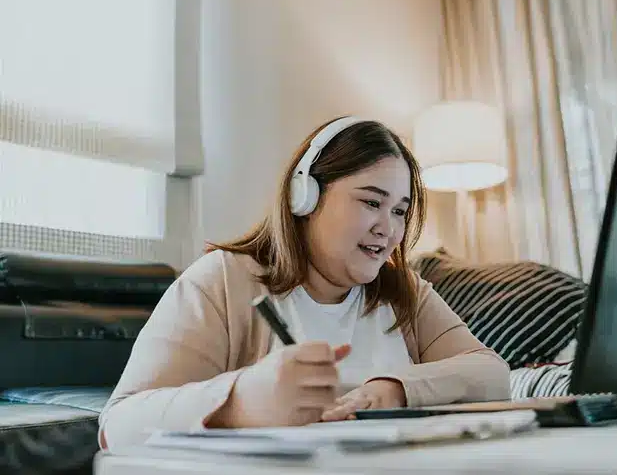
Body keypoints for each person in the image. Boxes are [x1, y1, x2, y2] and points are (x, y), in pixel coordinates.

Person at [98, 116, 511, 451]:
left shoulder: (405, 291)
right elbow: (119, 424)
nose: (388, 228)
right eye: (371, 202)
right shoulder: (223, 280)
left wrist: (398, 389)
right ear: (305, 197)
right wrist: (239, 402)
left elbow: (492, 374)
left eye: (400, 211)